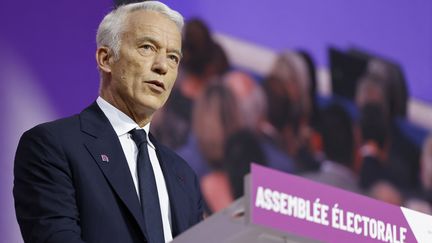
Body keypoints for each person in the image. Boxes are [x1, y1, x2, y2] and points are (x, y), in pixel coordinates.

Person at [13, 2, 203, 243]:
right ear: (106, 58)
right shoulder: (52, 146)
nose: (162, 66)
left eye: (173, 57)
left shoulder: (183, 175)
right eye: (147, 47)